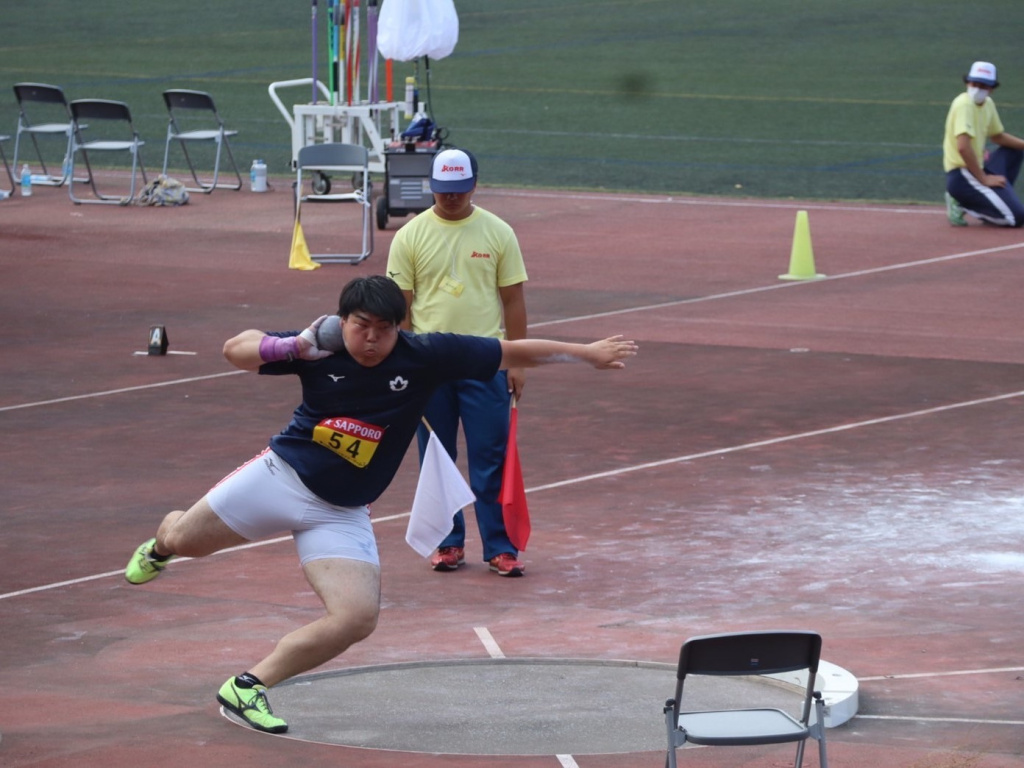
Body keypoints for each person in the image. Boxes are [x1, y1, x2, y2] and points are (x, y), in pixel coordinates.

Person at [123, 275, 637, 734]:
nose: (371, 339)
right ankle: (164, 541)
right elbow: (235, 350)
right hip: (280, 479)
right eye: (361, 326)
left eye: (384, 329)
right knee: (184, 542)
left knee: (357, 617)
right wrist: (293, 346)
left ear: (400, 326)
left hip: (341, 512)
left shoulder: (428, 354)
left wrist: (585, 353)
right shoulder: (317, 350)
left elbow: (511, 350)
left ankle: (247, 685)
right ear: (340, 321)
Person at [386, 147, 531, 577]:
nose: (451, 199)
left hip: (485, 363)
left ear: (474, 185)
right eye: (444, 191)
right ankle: (447, 543)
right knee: (436, 457)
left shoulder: (498, 232)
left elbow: (513, 300)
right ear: (432, 186)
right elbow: (401, 310)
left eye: (460, 191)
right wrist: (406, 364)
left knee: (491, 457)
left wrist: (518, 362)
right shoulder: (410, 236)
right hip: (429, 366)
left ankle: (500, 547)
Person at [943, 61, 1024, 227]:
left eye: (983, 85)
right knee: (1016, 218)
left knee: (1016, 150)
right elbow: (963, 147)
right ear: (967, 82)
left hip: (977, 168)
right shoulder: (964, 104)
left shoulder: (988, 104)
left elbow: (997, 136)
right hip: (962, 175)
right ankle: (960, 202)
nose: (977, 89)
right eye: (974, 83)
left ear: (992, 88)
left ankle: (996, 198)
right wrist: (984, 178)